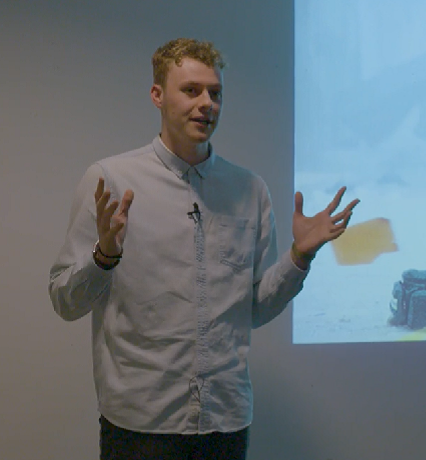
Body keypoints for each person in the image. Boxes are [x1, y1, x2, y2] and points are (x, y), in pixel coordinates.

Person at [48, 38, 359, 460]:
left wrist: (299, 258)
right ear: (157, 95)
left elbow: (254, 309)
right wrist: (104, 256)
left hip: (225, 421)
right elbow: (65, 301)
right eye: (191, 90)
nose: (206, 103)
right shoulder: (110, 181)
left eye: (215, 93)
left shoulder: (249, 189)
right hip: (140, 425)